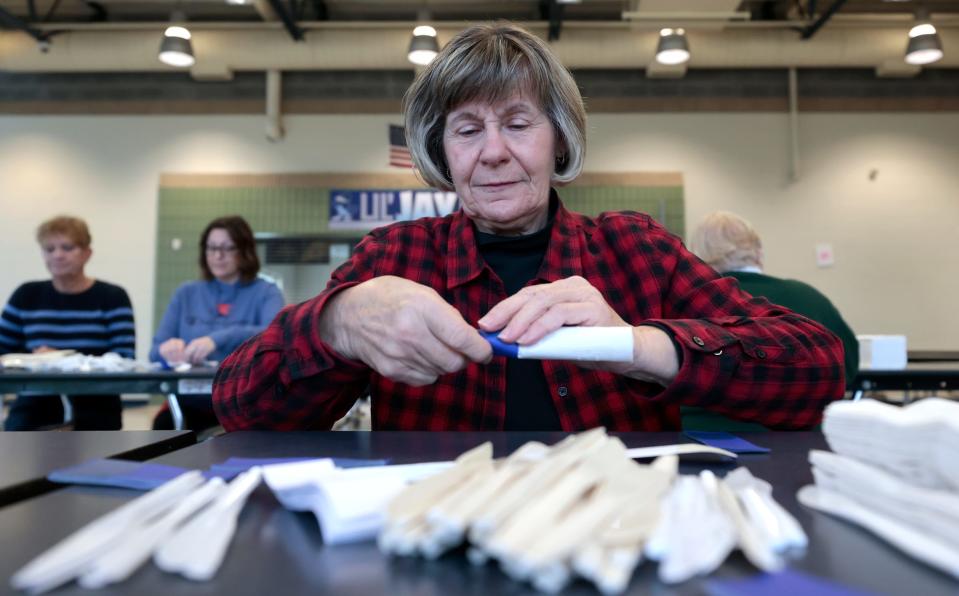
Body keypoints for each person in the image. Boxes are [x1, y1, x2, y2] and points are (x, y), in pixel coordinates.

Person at [213, 23, 845, 432]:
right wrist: (336, 325)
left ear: (558, 140)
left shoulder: (634, 249)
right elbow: (238, 407)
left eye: (517, 124)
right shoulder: (393, 257)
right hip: (436, 548)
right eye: (467, 130)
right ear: (444, 152)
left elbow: (820, 371)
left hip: (618, 541)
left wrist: (634, 344)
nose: (492, 152)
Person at [690, 210, 859, 387]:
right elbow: (846, 364)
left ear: (697, 256)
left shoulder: (688, 304)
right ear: (758, 252)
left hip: (701, 414)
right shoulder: (809, 298)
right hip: (799, 412)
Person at [0, 216, 135, 430]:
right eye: (49, 249)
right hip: (35, 401)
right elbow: (4, 350)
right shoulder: (26, 294)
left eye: (67, 247)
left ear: (87, 253)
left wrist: (61, 360)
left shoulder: (112, 297)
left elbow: (124, 358)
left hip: (96, 403)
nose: (58, 255)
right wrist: (30, 362)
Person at [149, 215, 284, 430]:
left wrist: (217, 340)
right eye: (211, 248)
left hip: (245, 402)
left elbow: (275, 337)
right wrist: (167, 350)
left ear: (245, 251)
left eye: (227, 248)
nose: (218, 256)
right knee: (163, 429)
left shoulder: (267, 292)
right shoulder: (186, 293)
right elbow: (154, 352)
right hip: (189, 403)